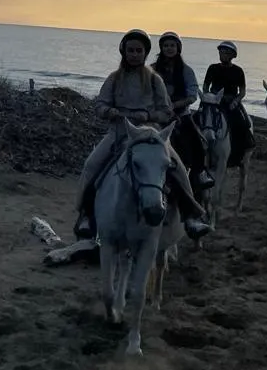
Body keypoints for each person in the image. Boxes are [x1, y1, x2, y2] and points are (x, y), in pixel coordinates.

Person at [74, 29, 211, 242]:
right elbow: (100, 104)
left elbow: (166, 111)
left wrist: (147, 114)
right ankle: (86, 215)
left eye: (139, 50)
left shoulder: (154, 80)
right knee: (91, 165)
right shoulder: (114, 78)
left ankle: (190, 214)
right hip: (119, 133)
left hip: (150, 135)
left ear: (145, 53)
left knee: (178, 167)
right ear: (124, 52)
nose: (135, 54)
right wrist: (108, 111)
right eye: (131, 50)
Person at [151, 31, 215, 195]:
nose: (169, 48)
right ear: (161, 48)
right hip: (157, 115)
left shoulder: (186, 70)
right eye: (166, 46)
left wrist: (175, 105)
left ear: (178, 48)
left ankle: (199, 173)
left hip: (181, 114)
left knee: (198, 144)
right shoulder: (152, 69)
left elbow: (192, 94)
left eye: (172, 45)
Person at [202, 41, 254, 163]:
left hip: (231, 101)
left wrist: (236, 102)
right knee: (199, 118)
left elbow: (242, 91)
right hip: (214, 100)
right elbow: (205, 86)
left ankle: (246, 146)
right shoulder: (212, 68)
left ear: (232, 55)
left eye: (226, 52)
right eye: (221, 51)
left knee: (244, 122)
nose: (223, 54)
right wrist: (208, 97)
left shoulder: (238, 71)